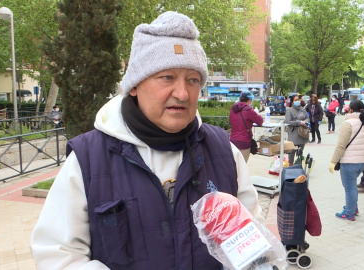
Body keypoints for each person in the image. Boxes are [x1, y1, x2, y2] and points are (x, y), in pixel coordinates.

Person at [31, 12, 265, 270]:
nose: (182, 93)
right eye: (167, 77)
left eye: (193, 80)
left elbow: (250, 240)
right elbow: (58, 254)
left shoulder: (224, 152)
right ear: (134, 85)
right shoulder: (87, 159)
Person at [328, 100, 364, 221]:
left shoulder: (348, 124)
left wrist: (333, 161)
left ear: (351, 109)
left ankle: (349, 213)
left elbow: (341, 145)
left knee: (349, 188)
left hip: (349, 162)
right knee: (352, 186)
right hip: (362, 161)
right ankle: (353, 207)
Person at [229, 90, 263, 162]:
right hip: (244, 143)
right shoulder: (248, 110)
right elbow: (260, 121)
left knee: (233, 166)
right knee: (242, 167)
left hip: (232, 141)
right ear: (249, 100)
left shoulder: (233, 109)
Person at [285, 95, 309, 165]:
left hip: (302, 133)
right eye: (295, 100)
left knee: (300, 152)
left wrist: (306, 122)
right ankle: (291, 165)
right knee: (292, 151)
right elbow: (288, 122)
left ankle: (299, 165)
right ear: (292, 101)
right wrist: (299, 122)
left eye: (298, 99)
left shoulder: (303, 109)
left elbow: (307, 118)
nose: (297, 101)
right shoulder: (289, 110)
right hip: (294, 134)